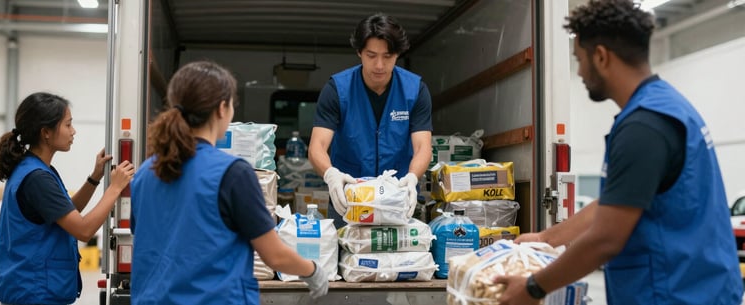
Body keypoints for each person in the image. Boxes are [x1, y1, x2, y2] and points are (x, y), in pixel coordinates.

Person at [494, 1, 744, 304]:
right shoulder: (667, 106)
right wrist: (548, 239)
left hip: (674, 294)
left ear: (601, 57)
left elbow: (605, 239)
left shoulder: (644, 126)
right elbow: (616, 202)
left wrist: (534, 287)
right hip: (698, 289)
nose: (582, 72)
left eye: (580, 60)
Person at [129, 61, 328, 304]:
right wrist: (313, 271)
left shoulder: (144, 174)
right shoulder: (232, 174)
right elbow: (274, 256)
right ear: (222, 108)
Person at [0, 92, 134, 305]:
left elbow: (66, 212)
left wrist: (94, 178)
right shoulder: (37, 179)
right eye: (68, 125)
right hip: (34, 294)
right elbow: (83, 230)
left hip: (33, 291)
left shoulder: (35, 170)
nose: (73, 131)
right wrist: (115, 189)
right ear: (46, 132)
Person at [309, 13, 433, 227]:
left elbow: (423, 146)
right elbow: (317, 146)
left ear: (398, 54)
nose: (379, 65)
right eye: (371, 55)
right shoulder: (337, 90)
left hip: (397, 199)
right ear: (359, 52)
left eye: (388, 56)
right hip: (348, 199)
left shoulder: (415, 90)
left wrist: (413, 178)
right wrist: (331, 175)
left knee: (397, 259)